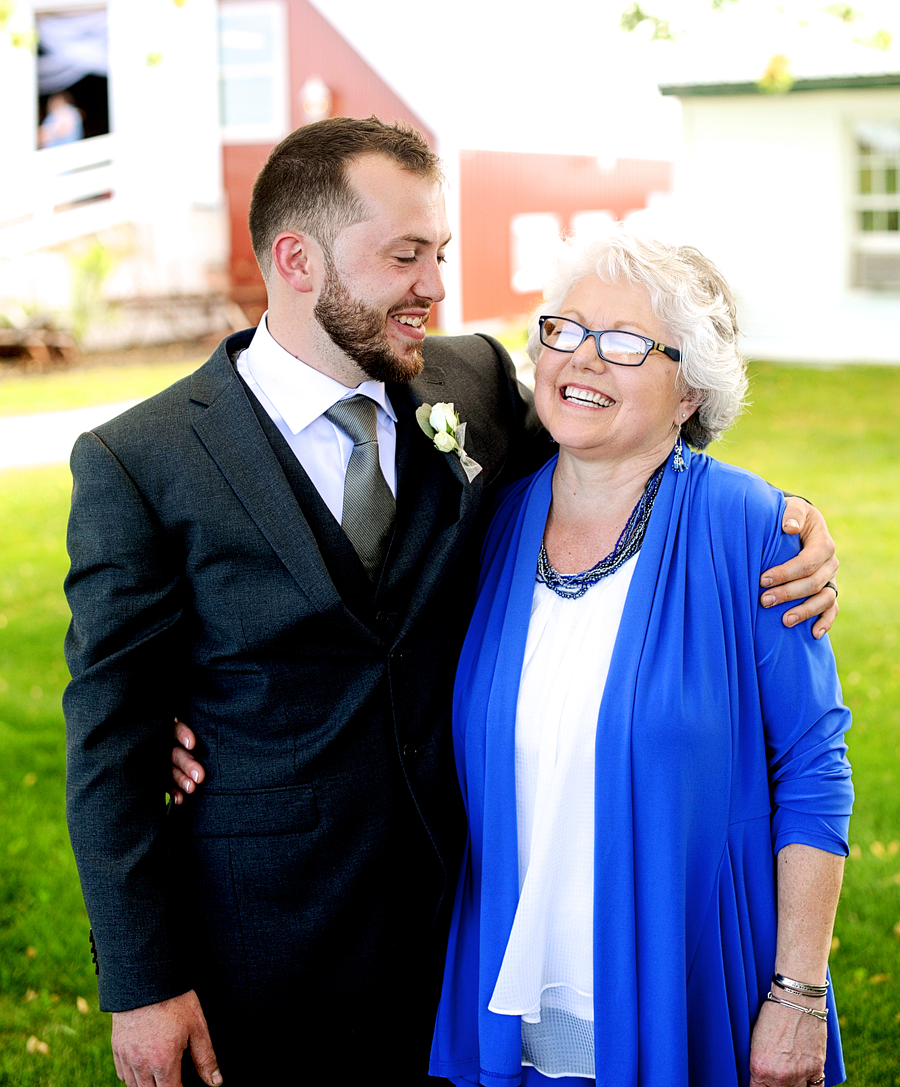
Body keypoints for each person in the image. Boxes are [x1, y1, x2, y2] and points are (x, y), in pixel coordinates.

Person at [64, 116, 838, 1087]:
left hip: (457, 939)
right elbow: (108, 744)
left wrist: (785, 519)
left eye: (440, 252)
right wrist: (143, 982)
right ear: (298, 260)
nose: (435, 283)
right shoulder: (143, 462)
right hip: (264, 952)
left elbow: (626, 436)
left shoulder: (467, 383)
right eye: (406, 255)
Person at [427, 234, 853, 1087]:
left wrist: (799, 992)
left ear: (690, 387)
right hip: (517, 979)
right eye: (567, 330)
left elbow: (813, 768)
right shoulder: (495, 522)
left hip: (688, 965)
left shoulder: (753, 530)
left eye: (625, 343)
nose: (584, 359)